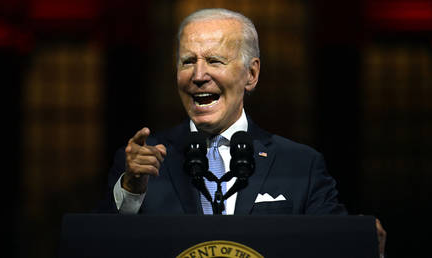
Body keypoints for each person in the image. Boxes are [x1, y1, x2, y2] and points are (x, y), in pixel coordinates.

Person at [98, 8, 386, 255]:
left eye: (214, 61)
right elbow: (97, 247)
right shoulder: (141, 166)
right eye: (188, 61)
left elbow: (337, 249)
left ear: (251, 74)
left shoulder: (301, 165)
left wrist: (366, 245)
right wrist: (131, 192)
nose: (198, 76)